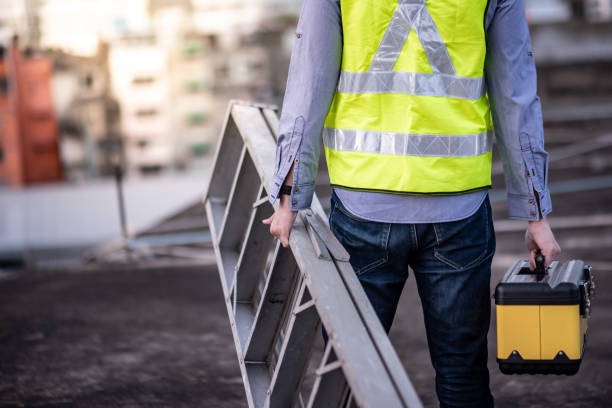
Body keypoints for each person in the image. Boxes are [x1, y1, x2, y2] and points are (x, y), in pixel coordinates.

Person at [263, 0, 561, 406]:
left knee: (348, 372)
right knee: (462, 374)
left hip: (363, 207)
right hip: (458, 210)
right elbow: (516, 97)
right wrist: (536, 215)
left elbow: (308, 84)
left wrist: (289, 199)